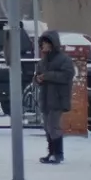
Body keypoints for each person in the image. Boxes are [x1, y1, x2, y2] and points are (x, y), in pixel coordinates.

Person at [34, 31, 75, 165]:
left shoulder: (64, 60)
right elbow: (36, 77)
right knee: (47, 126)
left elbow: (67, 75)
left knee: (53, 126)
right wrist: (38, 79)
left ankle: (58, 153)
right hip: (45, 98)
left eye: (45, 44)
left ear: (52, 44)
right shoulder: (43, 61)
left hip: (57, 98)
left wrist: (47, 76)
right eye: (42, 44)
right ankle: (51, 152)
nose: (43, 47)